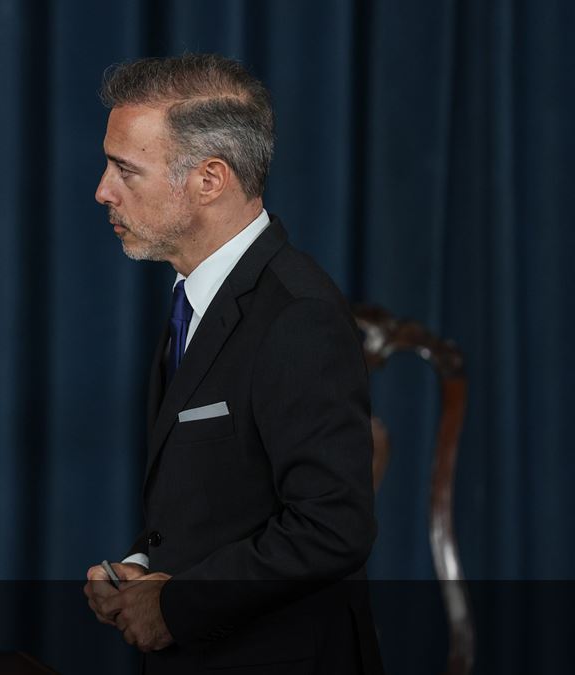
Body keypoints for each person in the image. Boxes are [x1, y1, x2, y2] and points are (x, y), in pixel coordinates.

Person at [83, 54, 383, 673]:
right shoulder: (195, 295)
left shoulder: (297, 314)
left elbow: (332, 527)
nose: (102, 190)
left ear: (209, 179)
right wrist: (139, 568)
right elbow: (223, 499)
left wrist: (175, 606)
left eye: (125, 170)